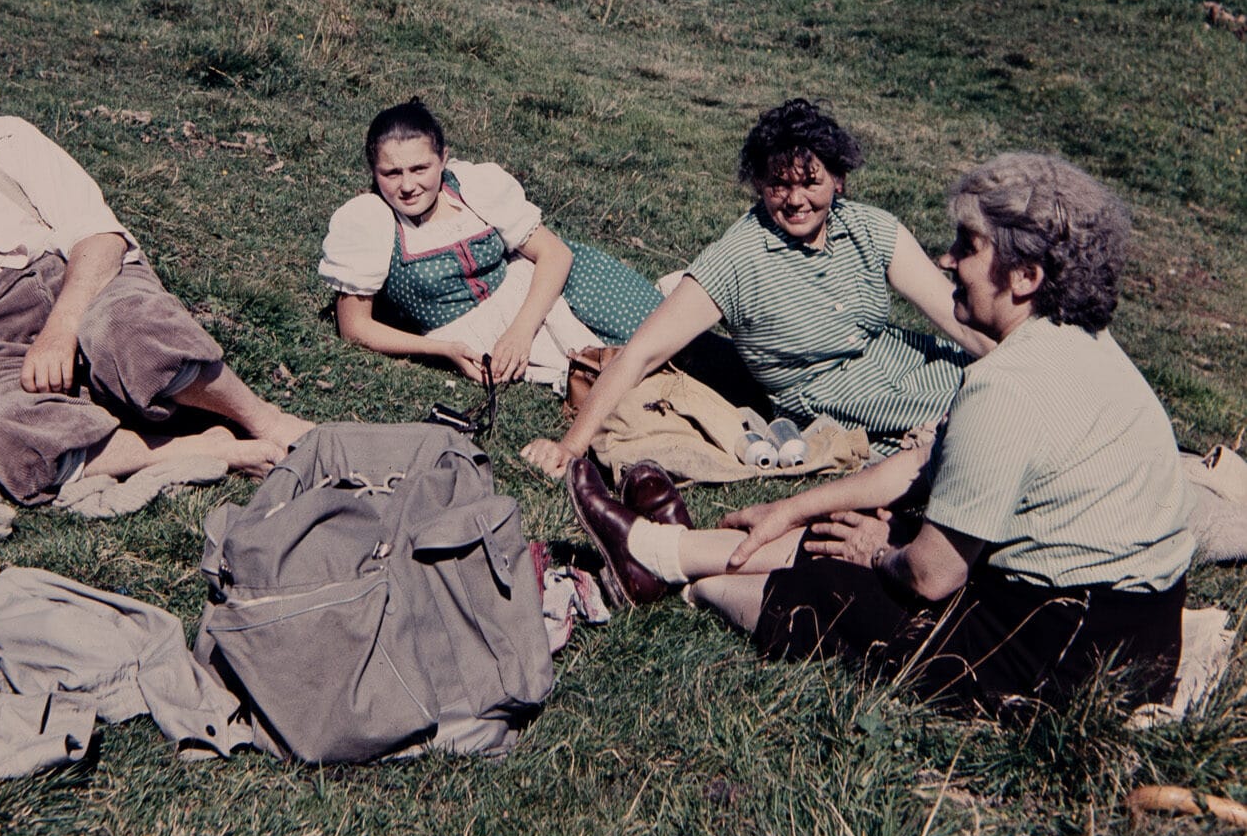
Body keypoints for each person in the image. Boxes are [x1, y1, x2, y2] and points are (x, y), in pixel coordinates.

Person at [567, 153, 1193, 711]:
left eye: (968, 246)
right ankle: (660, 553)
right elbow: (921, 467)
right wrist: (791, 507)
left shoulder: (1005, 384)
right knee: (863, 526)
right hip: (1145, 631)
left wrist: (880, 555)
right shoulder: (1083, 344)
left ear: (1024, 277)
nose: (949, 259)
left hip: (1073, 655)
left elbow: (931, 577)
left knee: (838, 584)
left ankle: (687, 581)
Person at [0, 22, 312, 505]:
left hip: (75, 283)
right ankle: (191, 448)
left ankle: (264, 420)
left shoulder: (6, 141)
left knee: (132, 328)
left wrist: (61, 330)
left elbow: (99, 240)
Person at [523, 98, 992, 476]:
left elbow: (956, 318)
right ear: (759, 185)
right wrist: (571, 445)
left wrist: (1026, 358)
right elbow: (641, 352)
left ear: (839, 180)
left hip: (918, 365)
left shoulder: (871, 228)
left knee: (1014, 397)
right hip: (847, 407)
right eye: (778, 185)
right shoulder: (738, 258)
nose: (795, 200)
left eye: (811, 182)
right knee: (984, 439)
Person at [318, 99, 665, 388]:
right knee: (610, 383)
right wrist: (441, 349)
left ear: (443, 159)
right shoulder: (370, 221)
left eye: (420, 168)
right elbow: (354, 328)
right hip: (466, 337)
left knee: (652, 347)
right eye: (392, 173)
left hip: (534, 304)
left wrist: (520, 332)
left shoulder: (472, 187)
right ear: (374, 171)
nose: (407, 185)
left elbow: (554, 252)